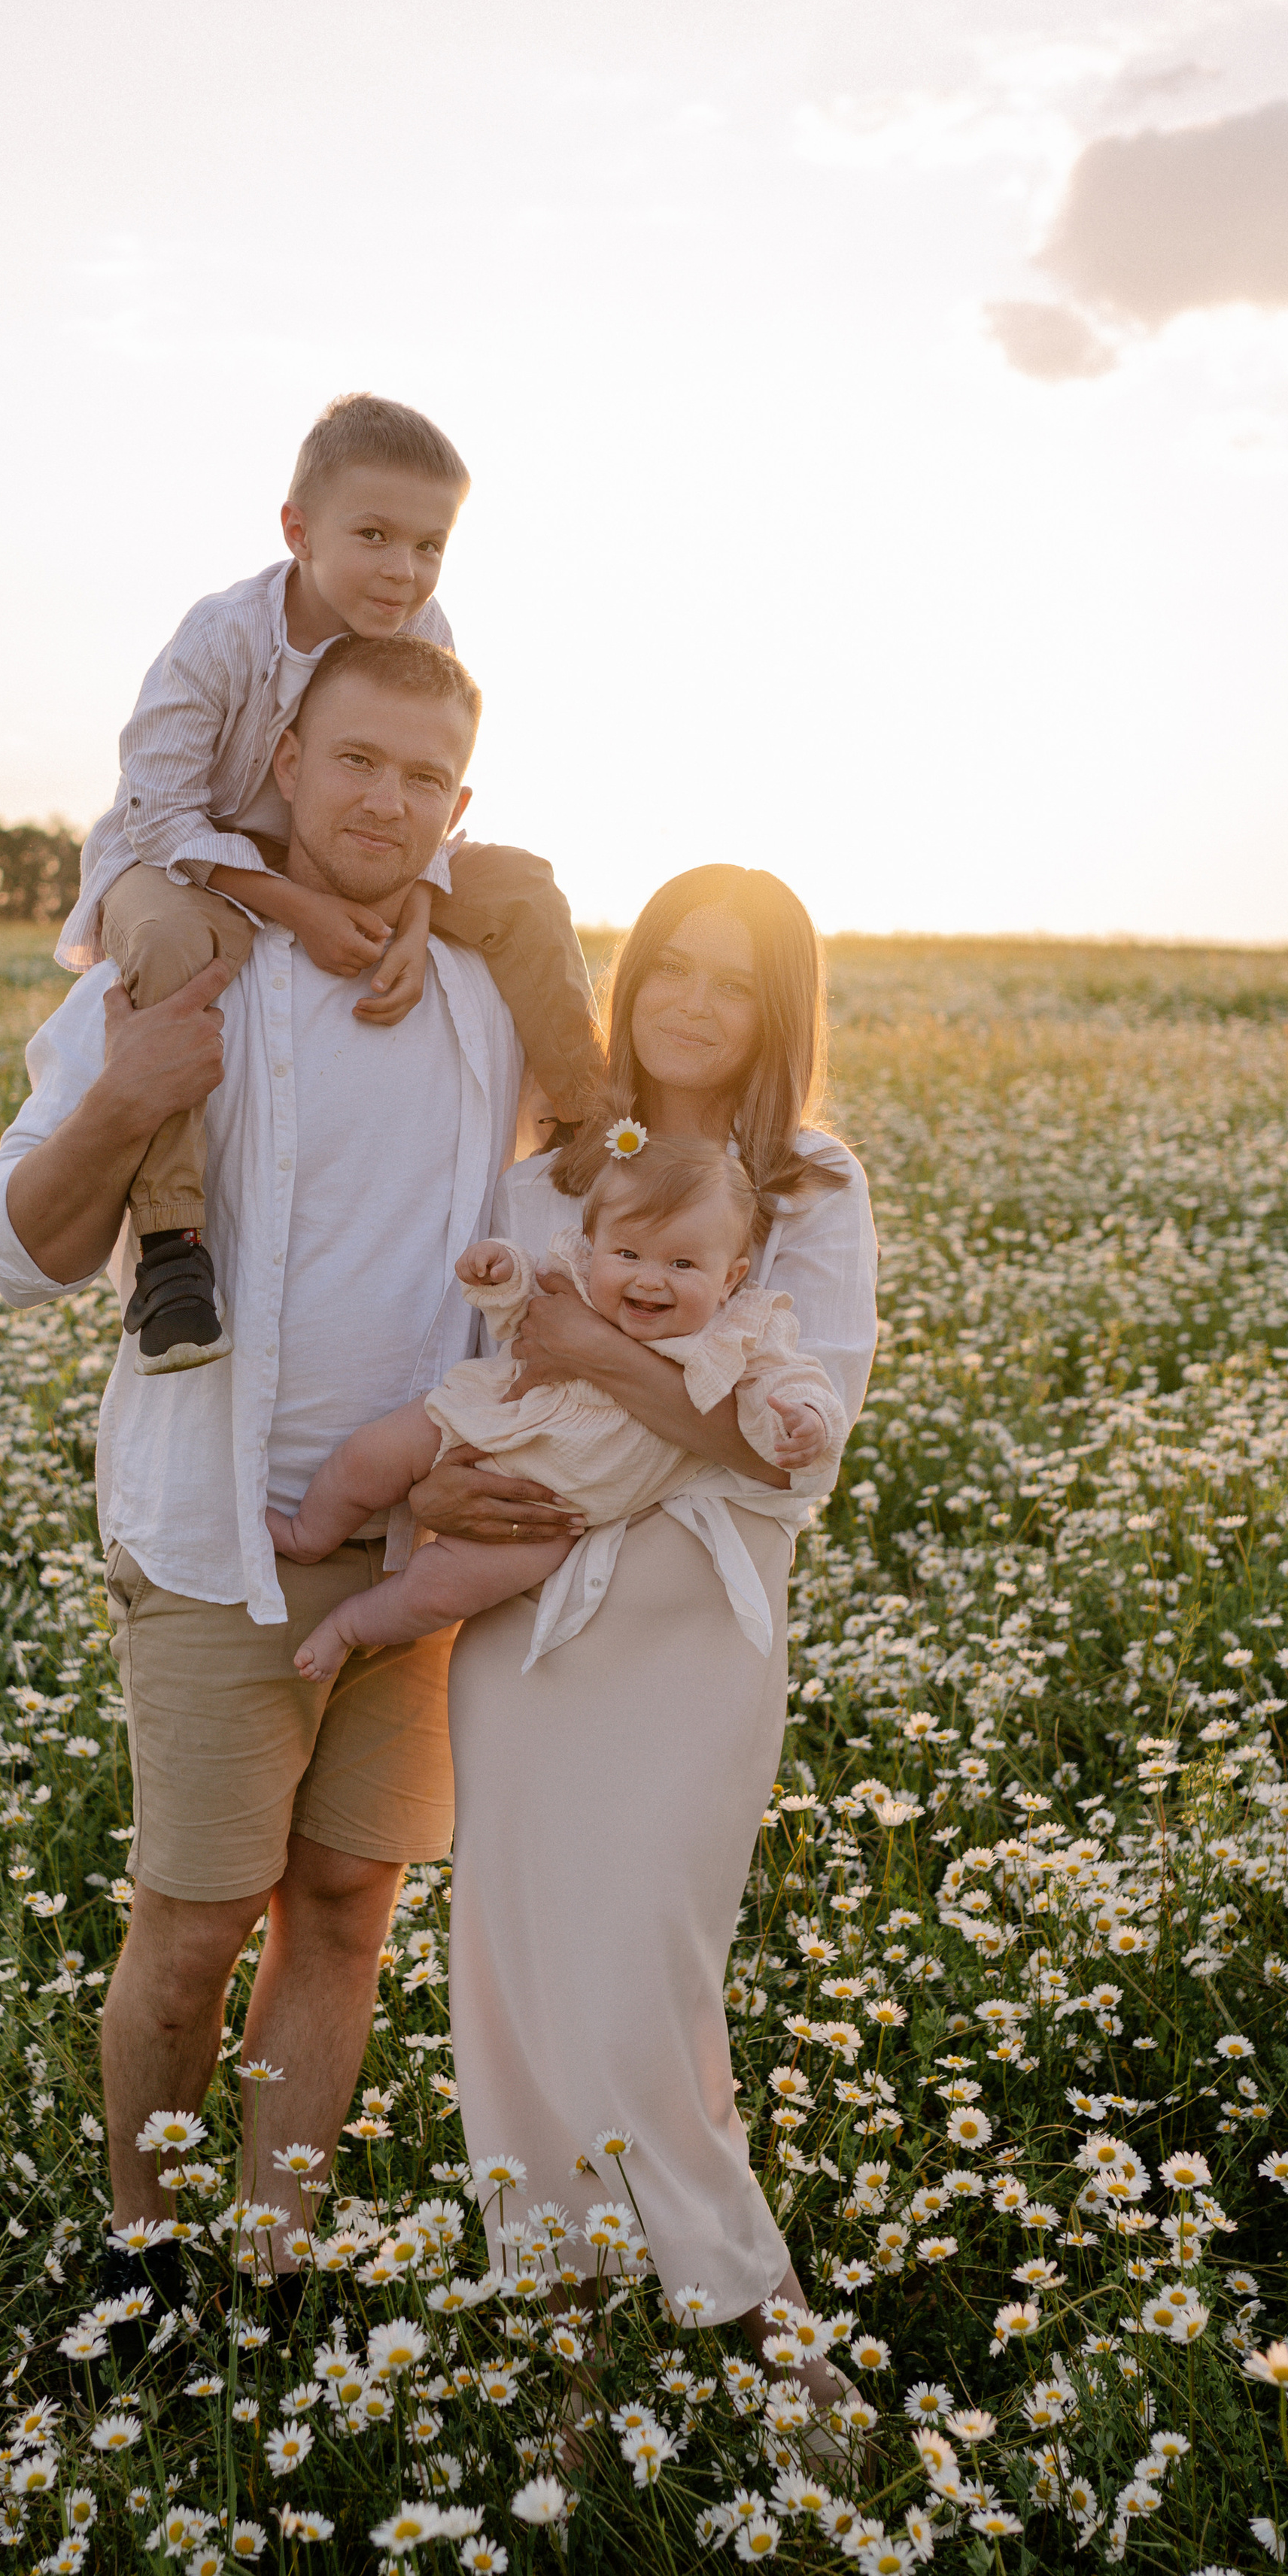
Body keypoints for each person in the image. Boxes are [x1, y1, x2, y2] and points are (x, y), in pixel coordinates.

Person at [0, 630, 527, 2329]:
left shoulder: (484, 989)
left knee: (348, 1904)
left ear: (459, 804)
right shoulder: (177, 961)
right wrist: (121, 1099)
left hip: (412, 1545)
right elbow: (19, 1250)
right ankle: (144, 2259)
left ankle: (279, 2264)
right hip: (214, 1538)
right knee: (198, 1919)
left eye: (422, 777)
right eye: (354, 760)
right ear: (281, 760)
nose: (385, 800)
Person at [415, 865, 879, 2417]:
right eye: (667, 965)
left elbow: (783, 1451)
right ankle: (567, 2317)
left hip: (692, 1624)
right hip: (530, 1613)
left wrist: (588, 1349)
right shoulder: (552, 1175)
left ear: (775, 1012)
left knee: (641, 1974)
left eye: (731, 980)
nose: (689, 1001)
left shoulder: (813, 1187)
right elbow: (497, 1371)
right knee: (516, 1967)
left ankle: (763, 2318)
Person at [55, 390, 603, 1373]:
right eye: (376, 536)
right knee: (181, 951)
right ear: (299, 530)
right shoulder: (224, 636)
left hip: (351, 857)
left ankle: (597, 1135)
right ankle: (174, 1249)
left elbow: (424, 772)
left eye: (430, 545)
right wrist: (298, 907)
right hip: (180, 860)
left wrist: (414, 910)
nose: (404, 571)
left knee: (521, 891)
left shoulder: (424, 629)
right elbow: (159, 811)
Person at [270, 1133, 844, 1684]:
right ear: (594, 1247)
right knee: (370, 1456)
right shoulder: (579, 1279)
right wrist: (499, 1269)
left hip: (552, 1512)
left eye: (683, 1265)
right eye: (628, 1253)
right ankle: (307, 1534)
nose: (650, 1279)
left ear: (731, 1279)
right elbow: (525, 1293)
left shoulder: (741, 1331)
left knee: (440, 1592)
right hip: (482, 1416)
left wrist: (808, 1417)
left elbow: (796, 1379)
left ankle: (349, 1626)